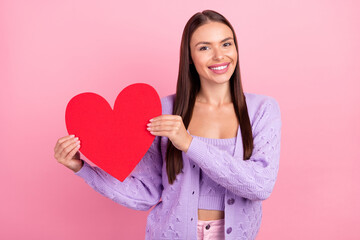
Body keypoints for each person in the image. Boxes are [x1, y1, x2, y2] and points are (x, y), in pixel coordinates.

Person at [54, 9, 282, 240]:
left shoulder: (262, 110)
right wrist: (82, 168)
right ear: (190, 57)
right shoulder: (163, 111)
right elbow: (146, 193)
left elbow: (260, 186)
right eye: (204, 47)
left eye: (226, 44)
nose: (219, 56)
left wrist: (189, 143)